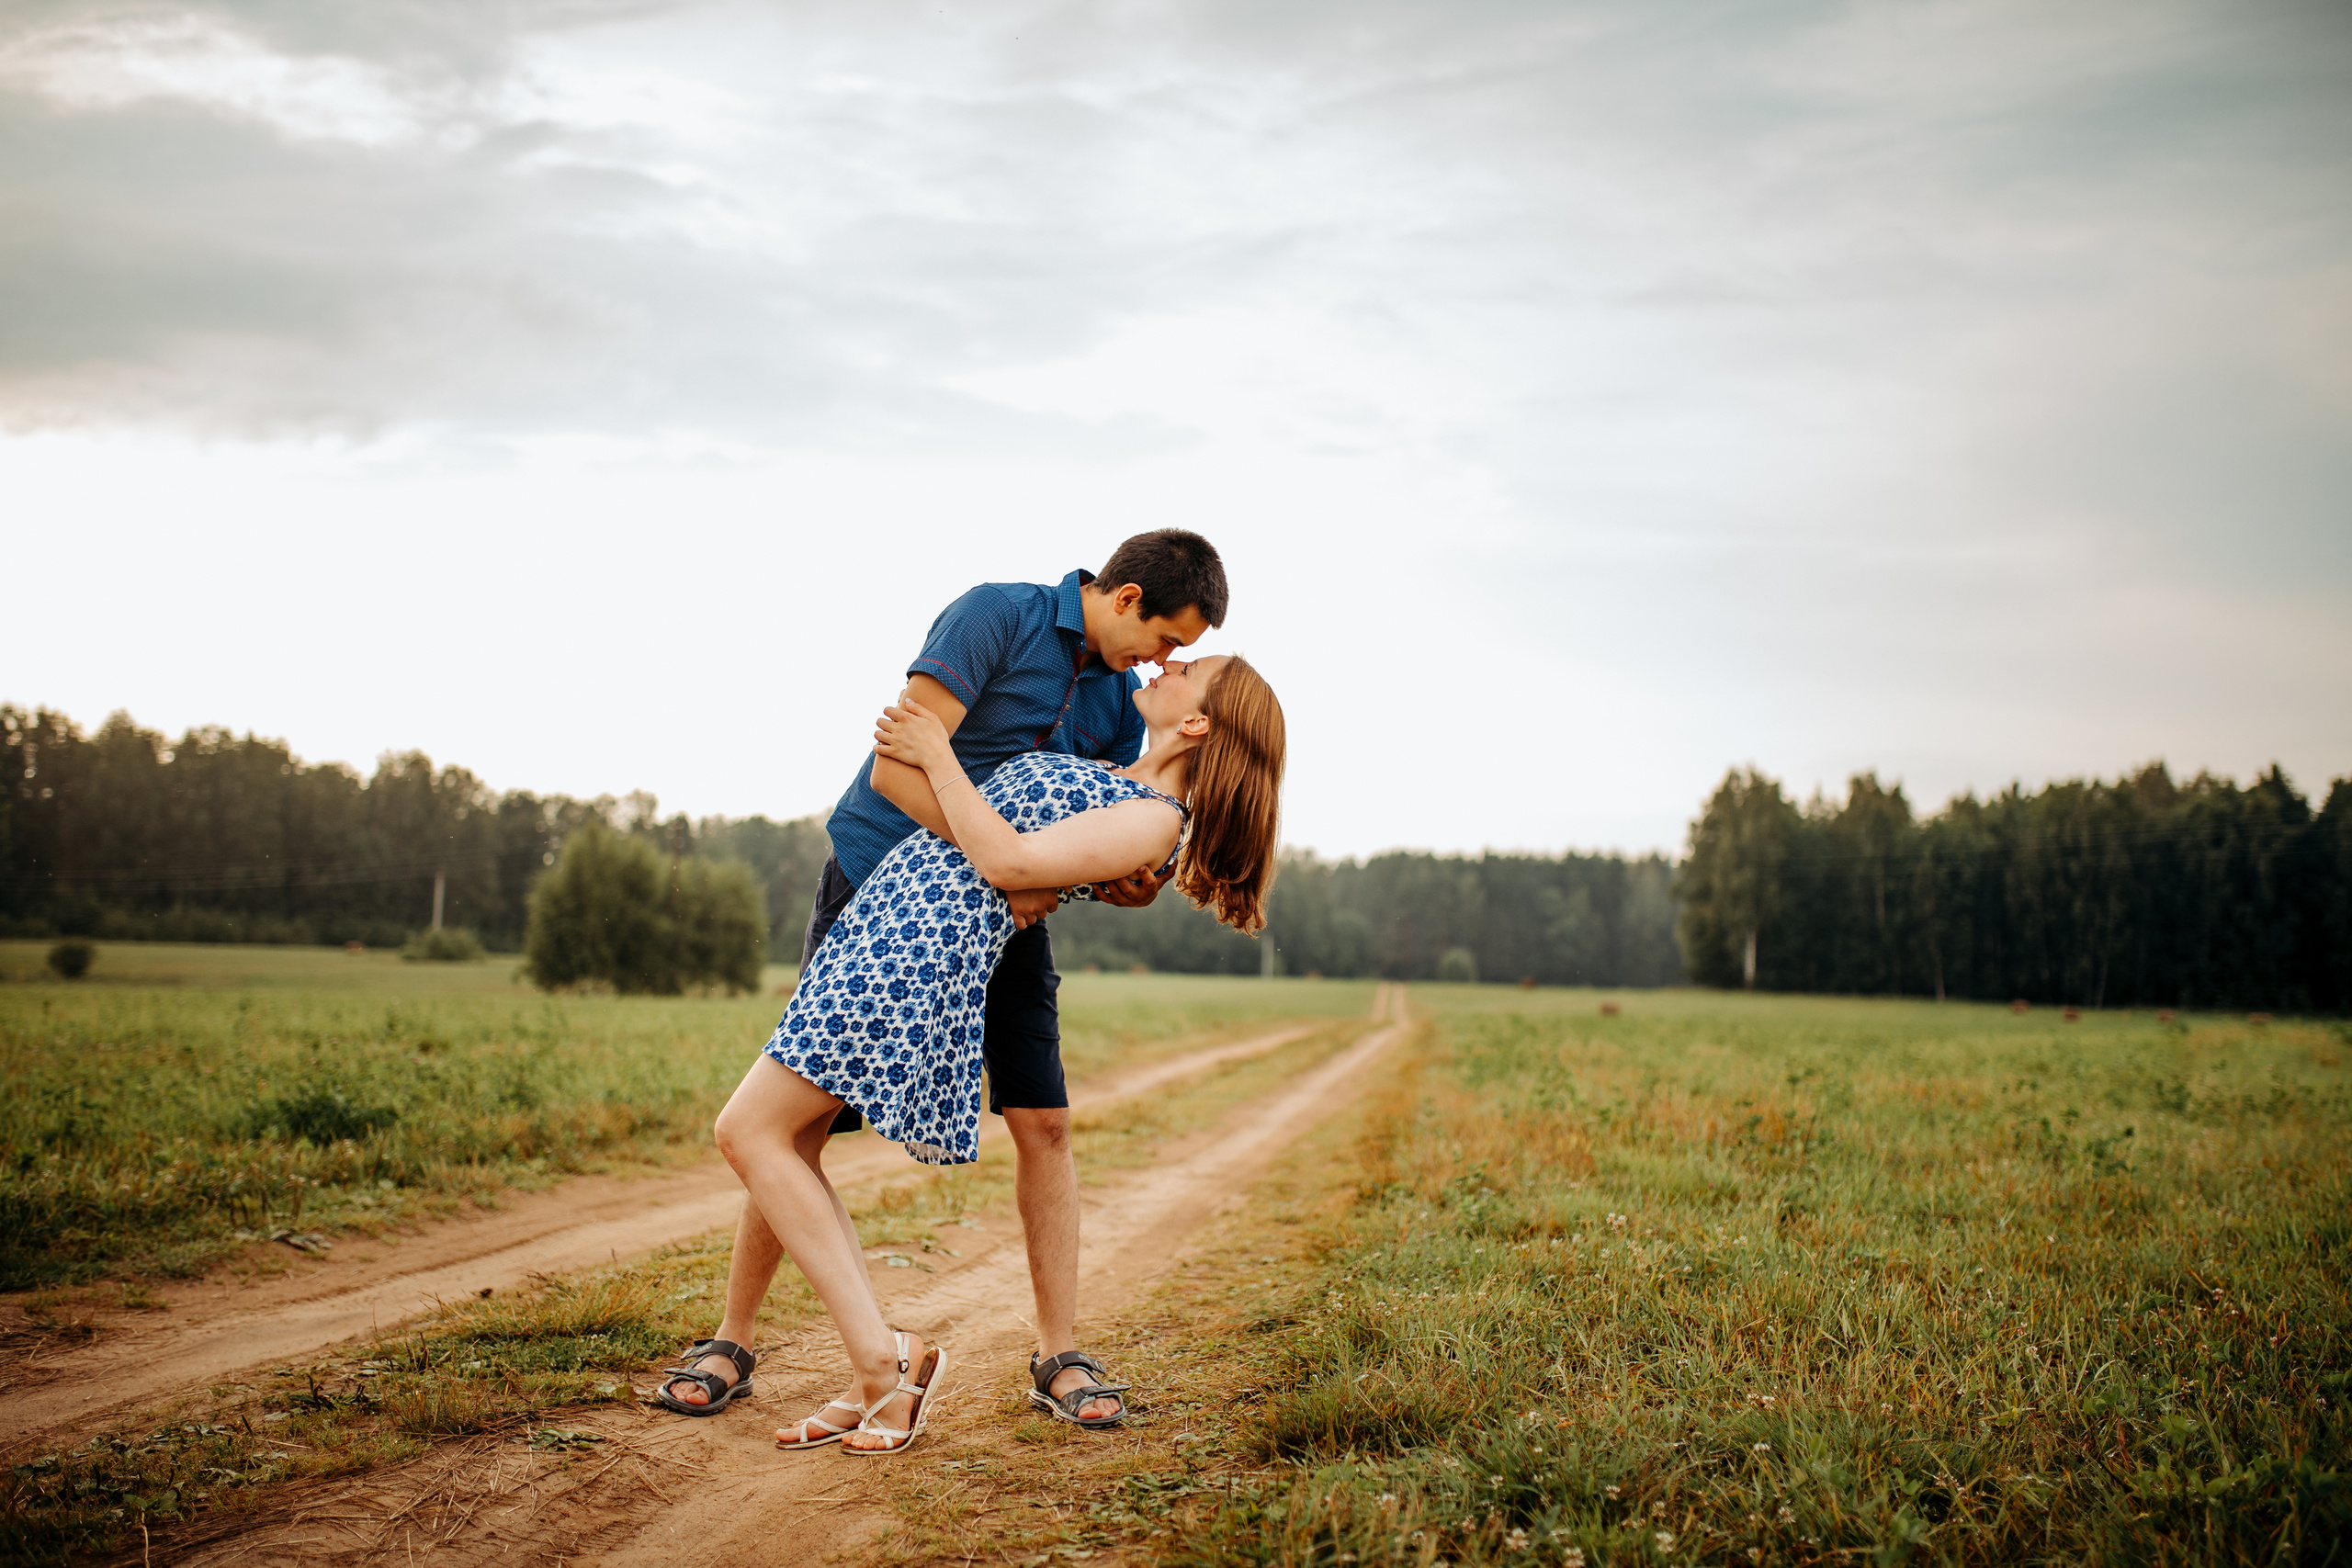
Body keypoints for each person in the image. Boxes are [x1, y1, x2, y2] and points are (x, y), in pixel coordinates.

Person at [656, 531, 1235, 1439]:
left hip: (1001, 919)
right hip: (882, 891)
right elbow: (896, 768)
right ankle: (733, 1339)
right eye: (1165, 639)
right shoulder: (993, 617)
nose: (1163, 661)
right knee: (792, 1127)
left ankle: (1056, 1351)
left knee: (1042, 1119)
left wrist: (1115, 879)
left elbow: (1099, 827)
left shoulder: (1123, 705)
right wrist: (1010, 865)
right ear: (1125, 598)